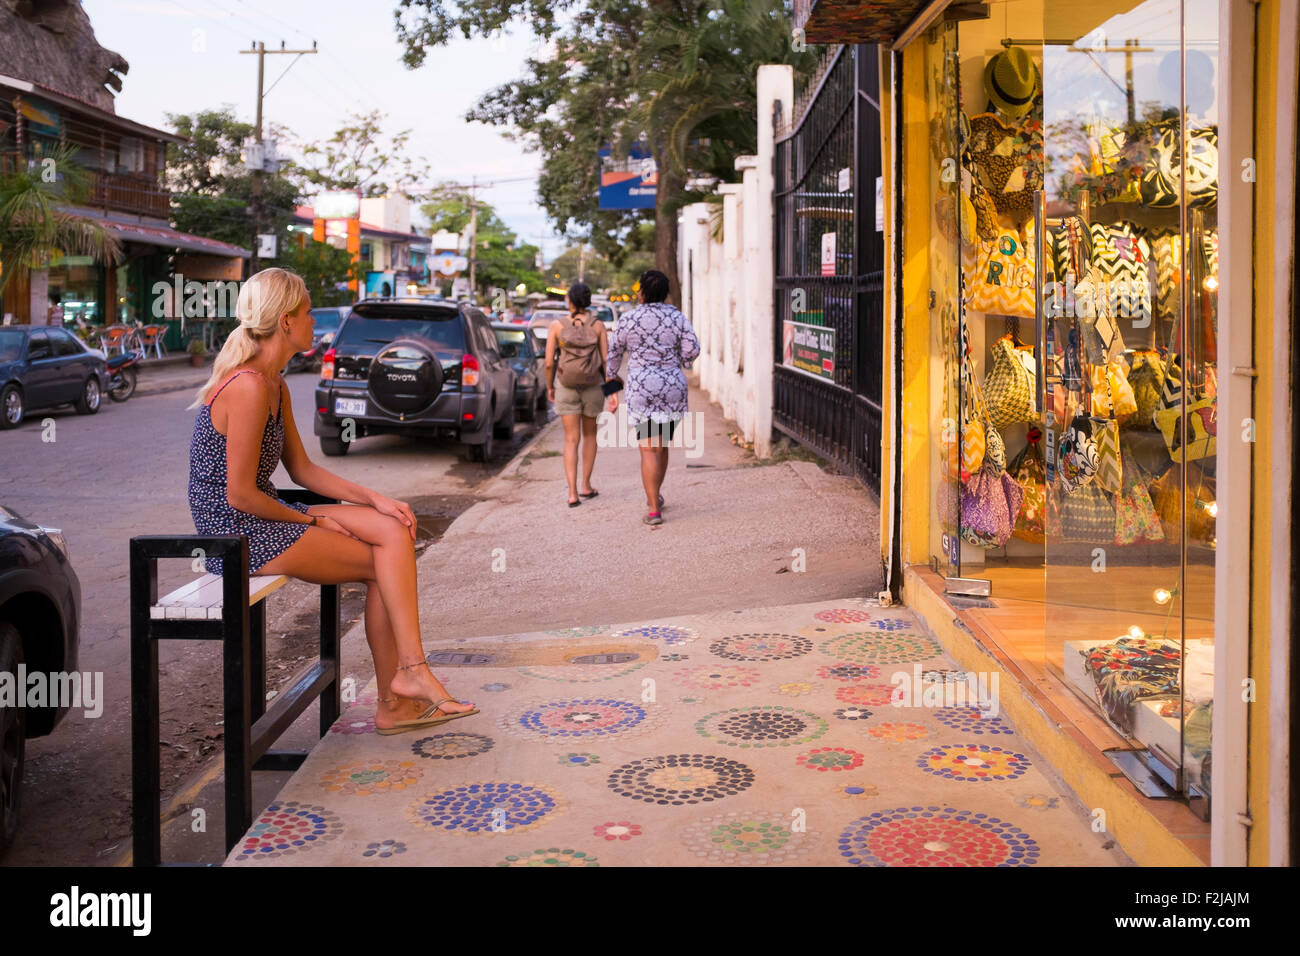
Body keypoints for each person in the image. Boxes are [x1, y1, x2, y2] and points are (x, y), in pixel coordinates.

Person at [187, 268, 476, 735]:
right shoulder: (247, 386)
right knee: (382, 563)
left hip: (264, 514)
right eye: (305, 314)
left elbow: (303, 470)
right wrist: (312, 521)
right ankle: (402, 687)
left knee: (394, 527)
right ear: (284, 322)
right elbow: (238, 494)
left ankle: (406, 679)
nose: (313, 324)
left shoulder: (273, 384)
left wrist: (375, 499)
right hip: (236, 531)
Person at [605, 269, 700, 525]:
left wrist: (610, 379)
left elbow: (613, 352)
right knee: (662, 444)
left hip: (641, 387)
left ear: (643, 292)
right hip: (671, 385)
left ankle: (653, 509)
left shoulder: (628, 319)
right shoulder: (677, 317)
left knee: (648, 449)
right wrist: (677, 363)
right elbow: (693, 349)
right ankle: (655, 496)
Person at [545, 282, 608, 507]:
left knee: (571, 439)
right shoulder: (598, 326)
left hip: (566, 385)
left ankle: (572, 493)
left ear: (569, 301)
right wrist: (612, 393)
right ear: (589, 301)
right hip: (592, 387)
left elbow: (549, 363)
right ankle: (586, 486)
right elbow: (606, 363)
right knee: (590, 436)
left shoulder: (556, 326)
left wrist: (550, 387)